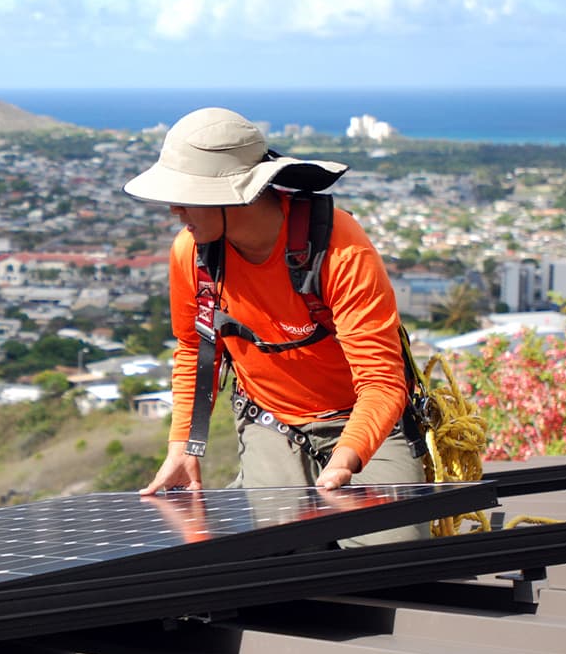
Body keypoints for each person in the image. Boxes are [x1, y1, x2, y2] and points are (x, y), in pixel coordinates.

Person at [124, 107, 427, 547]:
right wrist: (182, 447)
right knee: (279, 554)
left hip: (361, 420)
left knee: (389, 551)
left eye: (186, 197)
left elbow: (382, 381)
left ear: (234, 195)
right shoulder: (192, 254)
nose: (174, 210)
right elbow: (194, 350)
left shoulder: (338, 248)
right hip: (271, 420)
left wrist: (347, 457)